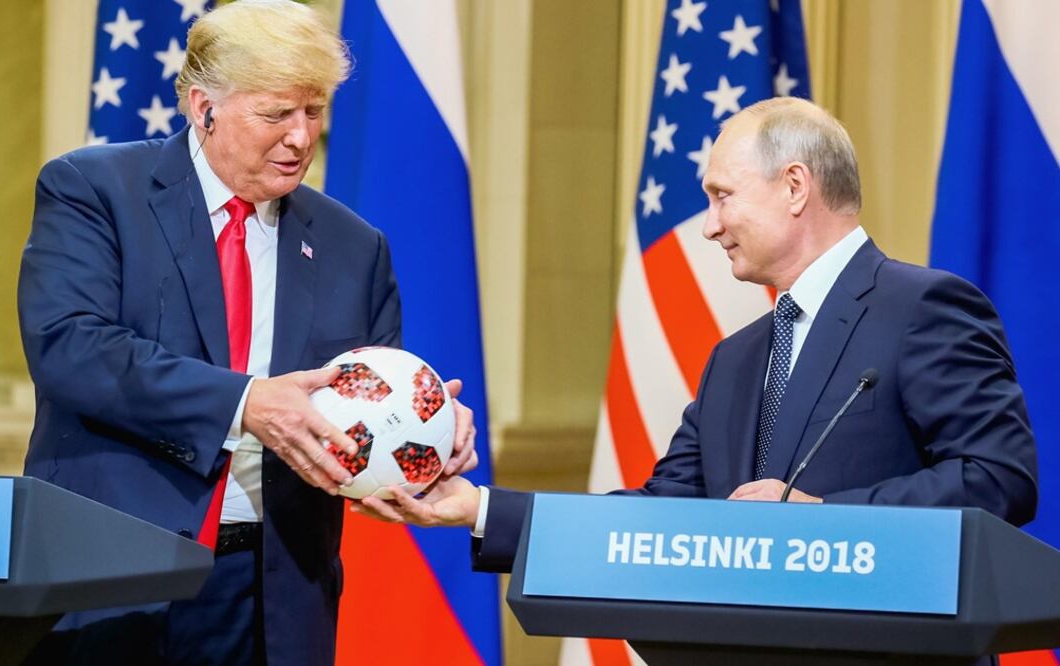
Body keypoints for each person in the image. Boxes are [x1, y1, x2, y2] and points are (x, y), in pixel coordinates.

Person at [355, 97, 1038, 575]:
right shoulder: (735, 359)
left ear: (794, 187)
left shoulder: (923, 307)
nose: (709, 226)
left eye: (721, 196)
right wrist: (477, 509)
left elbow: (998, 479)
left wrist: (826, 519)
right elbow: (661, 518)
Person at [17, 1, 476, 664]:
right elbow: (70, 347)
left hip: (273, 597)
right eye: (276, 113)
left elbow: (373, 403)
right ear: (203, 107)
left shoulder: (354, 246)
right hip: (108, 581)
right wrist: (245, 403)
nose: (301, 137)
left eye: (314, 110)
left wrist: (431, 436)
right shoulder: (94, 191)